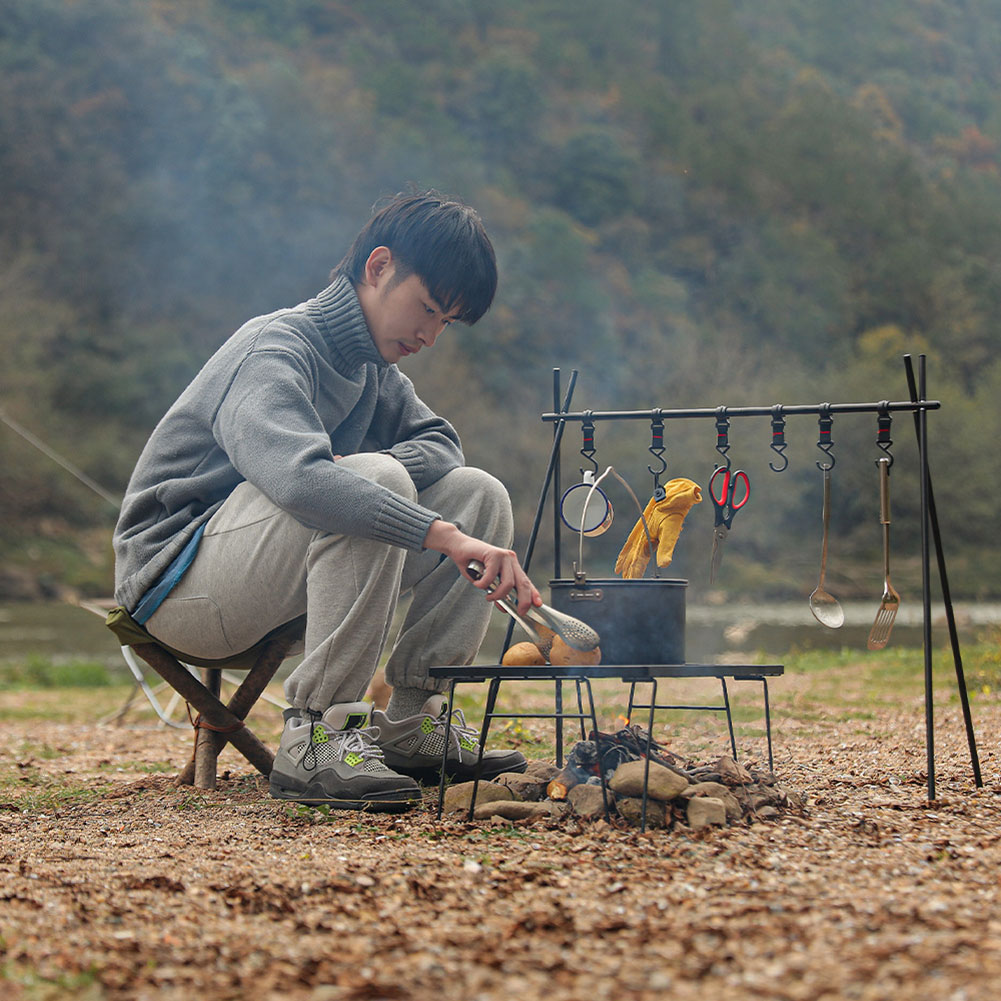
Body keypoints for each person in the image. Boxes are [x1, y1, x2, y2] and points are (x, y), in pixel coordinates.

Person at [112, 190, 540, 811]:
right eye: (426, 309)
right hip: (178, 587)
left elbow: (442, 443)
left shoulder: (375, 371)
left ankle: (413, 722)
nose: (430, 334)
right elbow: (300, 483)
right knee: (370, 485)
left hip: (266, 581)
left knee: (479, 494)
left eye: (445, 322)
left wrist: (387, 474)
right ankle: (317, 735)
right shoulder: (274, 347)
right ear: (378, 267)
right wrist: (437, 533)